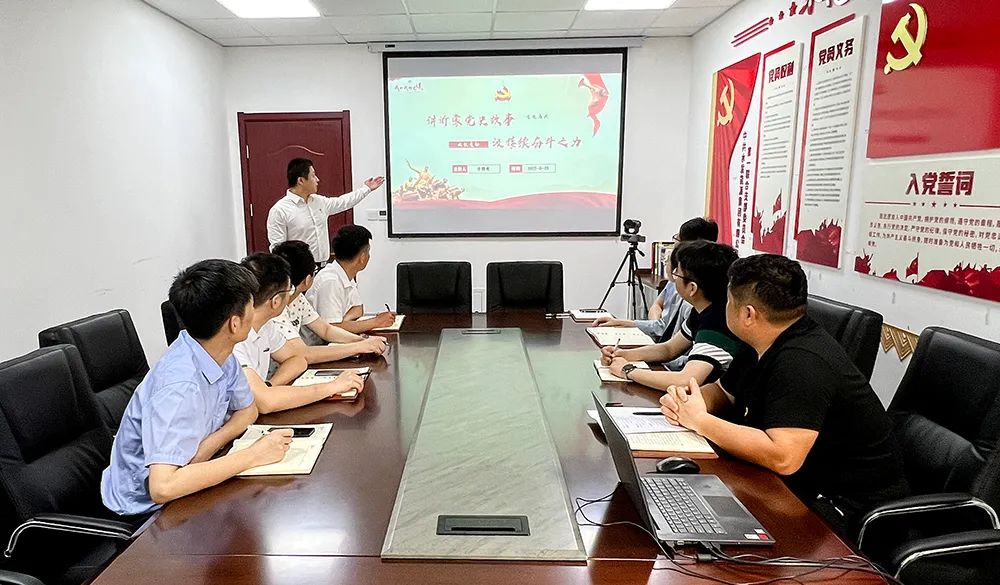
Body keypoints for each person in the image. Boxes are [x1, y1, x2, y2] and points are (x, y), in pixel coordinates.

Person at [659, 254, 909, 534]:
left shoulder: (803, 361)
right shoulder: (760, 341)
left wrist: (700, 421)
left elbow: (784, 457)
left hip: (845, 511)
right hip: (789, 486)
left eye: (728, 301)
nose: (724, 307)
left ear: (748, 314)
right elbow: (723, 392)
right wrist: (687, 402)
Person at [101, 260, 292, 515]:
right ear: (234, 324)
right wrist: (253, 455)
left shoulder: (219, 352)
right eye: (250, 303)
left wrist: (206, 448)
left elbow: (248, 410)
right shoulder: (180, 386)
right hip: (147, 511)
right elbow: (163, 487)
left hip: (195, 474)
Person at [603, 240, 747, 389]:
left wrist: (628, 370)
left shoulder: (717, 323)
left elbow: (685, 381)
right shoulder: (704, 310)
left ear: (692, 288)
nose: (673, 278)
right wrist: (623, 354)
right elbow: (669, 349)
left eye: (677, 274)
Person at [235, 253, 364, 414]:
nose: (292, 294)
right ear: (276, 301)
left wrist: (269, 386)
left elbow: (298, 359)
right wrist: (332, 387)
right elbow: (266, 403)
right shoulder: (235, 339)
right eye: (289, 290)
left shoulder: (265, 326)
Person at [595, 217, 720, 343]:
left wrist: (657, 331)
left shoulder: (691, 303)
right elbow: (658, 310)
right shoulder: (680, 283)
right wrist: (622, 323)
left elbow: (672, 348)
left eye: (677, 239)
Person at [271, 240, 389, 362]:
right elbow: (302, 354)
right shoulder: (275, 309)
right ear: (308, 279)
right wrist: (359, 347)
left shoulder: (297, 298)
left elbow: (325, 329)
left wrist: (363, 341)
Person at [267, 157, 385, 266]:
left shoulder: (319, 202)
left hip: (323, 267)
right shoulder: (280, 210)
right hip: (298, 271)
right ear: (301, 181)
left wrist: (366, 189)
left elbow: (343, 202)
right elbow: (277, 248)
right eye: (313, 176)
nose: (317, 180)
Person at [308, 224, 395, 334]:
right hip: (319, 343)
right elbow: (332, 329)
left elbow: (358, 308)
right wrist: (375, 322)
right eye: (368, 252)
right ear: (362, 257)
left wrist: (344, 321)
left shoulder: (345, 274)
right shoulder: (330, 281)